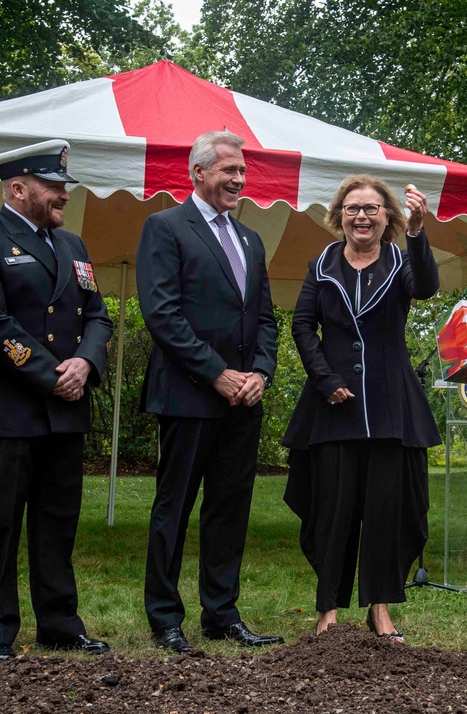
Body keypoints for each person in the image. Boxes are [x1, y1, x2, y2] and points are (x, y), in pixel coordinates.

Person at [0, 140, 114, 661]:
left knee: (57, 521)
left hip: (64, 410)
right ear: (18, 189)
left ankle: (60, 624)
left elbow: (98, 316)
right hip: (7, 408)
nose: (64, 194)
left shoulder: (74, 246)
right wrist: (51, 376)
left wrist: (86, 363)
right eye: (54, 187)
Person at [137, 130, 281, 653]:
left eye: (241, 171)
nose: (238, 179)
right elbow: (162, 314)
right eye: (228, 171)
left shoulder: (251, 240)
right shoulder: (166, 227)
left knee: (229, 509)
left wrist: (261, 373)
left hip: (243, 401)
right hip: (188, 395)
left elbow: (265, 318)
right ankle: (165, 617)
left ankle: (221, 614)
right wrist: (218, 373)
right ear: (198, 173)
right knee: (173, 509)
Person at [283, 176, 440, 641]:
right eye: (353, 208)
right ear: (339, 215)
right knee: (332, 509)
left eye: (372, 209)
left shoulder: (400, 260)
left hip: (392, 407)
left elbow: (428, 288)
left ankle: (380, 608)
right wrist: (325, 379)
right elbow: (302, 326)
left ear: (387, 216)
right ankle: (328, 609)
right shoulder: (321, 265)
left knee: (386, 510)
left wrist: (417, 232)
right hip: (333, 407)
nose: (362, 217)